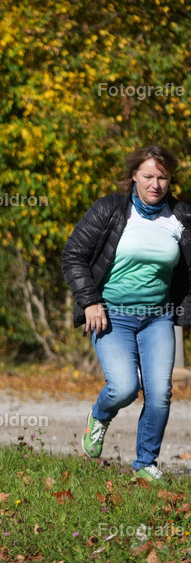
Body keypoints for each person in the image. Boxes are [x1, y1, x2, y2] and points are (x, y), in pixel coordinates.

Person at [62, 144, 191, 483]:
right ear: (134, 175)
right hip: (110, 314)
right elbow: (73, 254)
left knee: (160, 393)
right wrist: (90, 301)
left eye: (163, 177)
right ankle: (99, 416)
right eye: (148, 176)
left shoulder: (181, 218)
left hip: (157, 317)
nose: (155, 184)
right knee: (123, 388)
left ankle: (146, 463)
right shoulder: (110, 210)